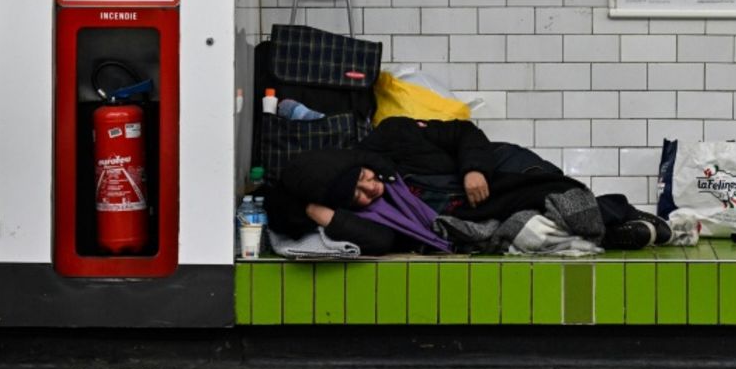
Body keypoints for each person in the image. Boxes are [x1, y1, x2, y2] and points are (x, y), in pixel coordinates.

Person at [264, 118, 667, 254]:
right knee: (523, 228)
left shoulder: (393, 136)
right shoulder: (369, 214)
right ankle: (619, 233)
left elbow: (463, 132)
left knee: (557, 199)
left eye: (366, 179)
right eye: (358, 196)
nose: (371, 191)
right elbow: (277, 198)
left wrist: (474, 169)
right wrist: (316, 212)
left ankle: (624, 213)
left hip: (500, 168)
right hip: (469, 210)